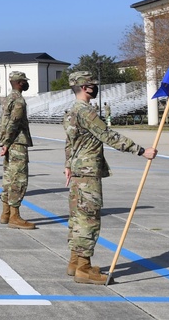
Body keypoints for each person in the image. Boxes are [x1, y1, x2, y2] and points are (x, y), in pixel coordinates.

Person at [63, 71, 156, 284]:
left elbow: (69, 142)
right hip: (88, 172)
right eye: (93, 85)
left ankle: (75, 261)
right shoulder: (86, 112)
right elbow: (108, 135)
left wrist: (68, 165)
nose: (95, 88)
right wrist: (140, 151)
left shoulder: (70, 112)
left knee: (77, 218)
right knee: (89, 219)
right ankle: (84, 268)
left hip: (78, 171)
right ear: (85, 87)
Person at [0, 72, 36, 229]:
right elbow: (13, 122)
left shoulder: (8, 98)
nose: (26, 84)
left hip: (9, 142)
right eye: (25, 82)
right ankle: (14, 216)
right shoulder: (19, 100)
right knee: (19, 180)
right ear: (19, 83)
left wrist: (4, 142)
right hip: (17, 143)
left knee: (8, 178)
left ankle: (5, 213)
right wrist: (7, 142)